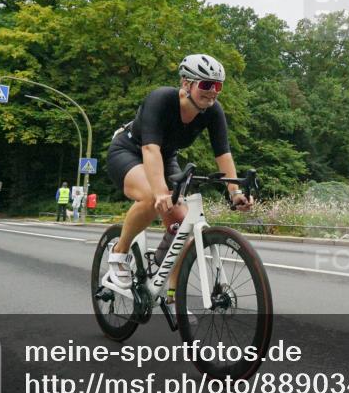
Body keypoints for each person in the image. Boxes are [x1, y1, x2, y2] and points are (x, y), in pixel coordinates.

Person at [104, 53, 253, 297]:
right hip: (130, 150)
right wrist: (161, 192)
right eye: (206, 85)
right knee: (152, 197)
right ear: (186, 83)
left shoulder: (213, 112)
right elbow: (150, 149)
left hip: (166, 157)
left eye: (218, 86)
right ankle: (119, 253)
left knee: (183, 221)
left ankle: (174, 297)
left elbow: (223, 154)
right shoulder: (160, 99)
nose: (212, 92)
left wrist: (234, 192)